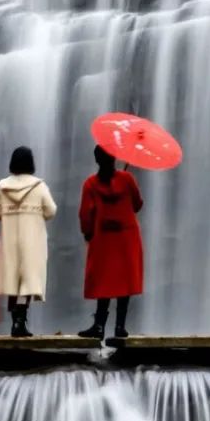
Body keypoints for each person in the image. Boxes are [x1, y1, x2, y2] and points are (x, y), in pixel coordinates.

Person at [0, 146, 57, 338]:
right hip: (32, 238)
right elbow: (51, 210)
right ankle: (20, 322)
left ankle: (15, 323)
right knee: (28, 279)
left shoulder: (2, 186)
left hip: (10, 238)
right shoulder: (39, 186)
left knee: (12, 278)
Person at [78, 145, 144, 340]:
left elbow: (85, 214)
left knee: (103, 281)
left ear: (97, 160)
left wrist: (87, 233)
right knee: (125, 280)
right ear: (114, 159)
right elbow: (138, 204)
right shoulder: (127, 179)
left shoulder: (90, 184)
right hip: (127, 237)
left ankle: (99, 326)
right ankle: (120, 327)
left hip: (103, 238)